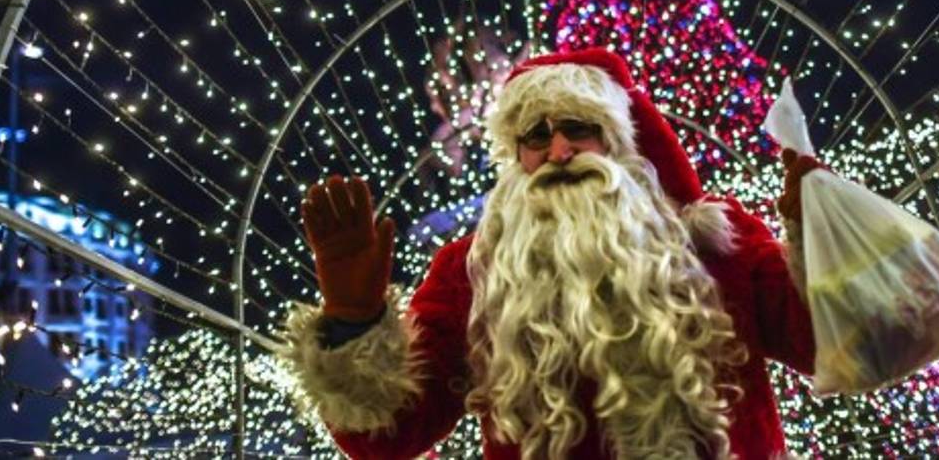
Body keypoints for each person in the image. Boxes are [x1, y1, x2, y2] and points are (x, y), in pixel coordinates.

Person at [282, 48, 823, 459]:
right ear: (517, 155)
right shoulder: (472, 273)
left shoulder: (716, 243)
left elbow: (829, 343)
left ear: (617, 141)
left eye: (578, 129)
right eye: (536, 135)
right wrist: (354, 324)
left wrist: (823, 241)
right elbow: (391, 433)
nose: (559, 150)